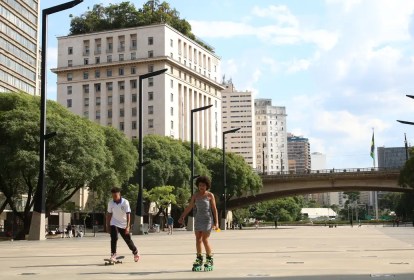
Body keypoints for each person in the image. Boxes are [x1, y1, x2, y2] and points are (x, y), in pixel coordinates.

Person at [178, 176, 219, 271]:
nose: (201, 187)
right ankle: (199, 258)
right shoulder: (195, 196)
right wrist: (182, 216)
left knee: (205, 239)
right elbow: (189, 207)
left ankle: (209, 258)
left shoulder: (210, 195)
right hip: (198, 219)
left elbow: (214, 209)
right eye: (200, 185)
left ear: (207, 186)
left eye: (203, 185)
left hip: (208, 219)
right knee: (198, 239)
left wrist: (216, 223)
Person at [106, 187, 140, 263]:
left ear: (119, 194)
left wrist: (128, 226)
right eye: (113, 196)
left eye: (116, 196)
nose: (114, 198)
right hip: (114, 222)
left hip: (124, 224)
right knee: (114, 237)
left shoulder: (125, 202)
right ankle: (113, 254)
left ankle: (135, 252)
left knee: (128, 240)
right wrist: (107, 226)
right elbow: (109, 215)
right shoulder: (110, 203)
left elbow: (128, 214)